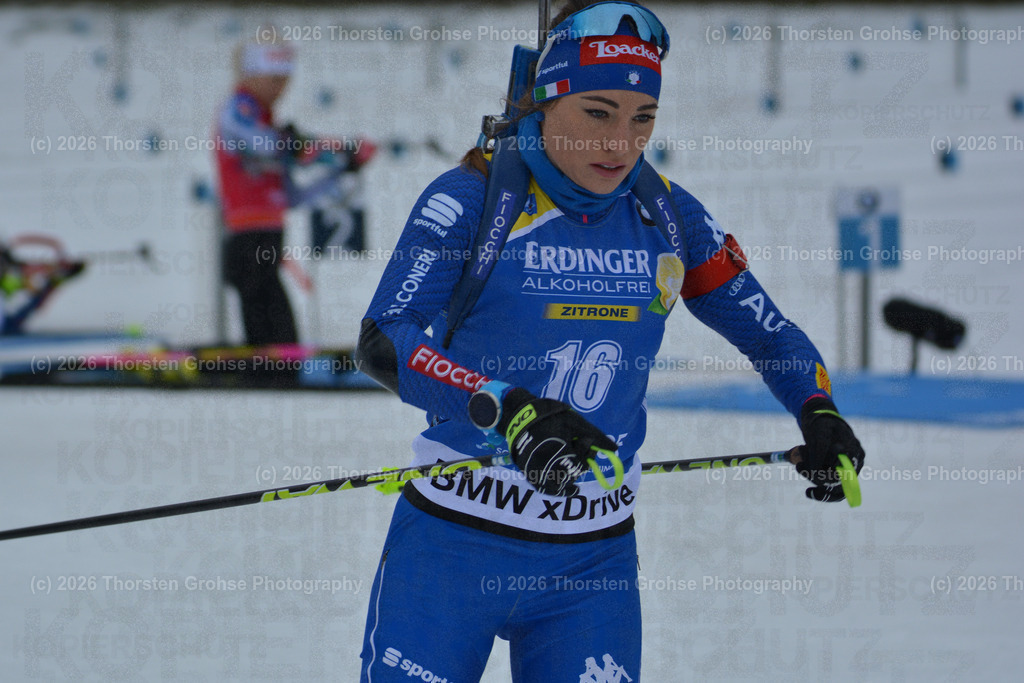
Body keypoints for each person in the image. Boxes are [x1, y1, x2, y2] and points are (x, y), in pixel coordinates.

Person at [355, 1, 865, 680]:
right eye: (598, 113)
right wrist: (505, 407)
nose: (621, 143)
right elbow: (385, 338)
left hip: (591, 566)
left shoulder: (668, 215)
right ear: (545, 101)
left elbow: (769, 334)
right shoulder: (470, 200)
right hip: (453, 546)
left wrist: (817, 408)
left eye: (642, 118)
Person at [213, 39, 375, 347]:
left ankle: (282, 367)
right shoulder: (239, 109)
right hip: (245, 236)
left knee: (272, 302)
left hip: (270, 234)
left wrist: (341, 169)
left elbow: (294, 196)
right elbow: (270, 144)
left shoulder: (268, 122)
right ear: (252, 76)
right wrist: (330, 149)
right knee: (261, 297)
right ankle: (269, 370)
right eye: (274, 80)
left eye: (285, 81)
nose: (281, 89)